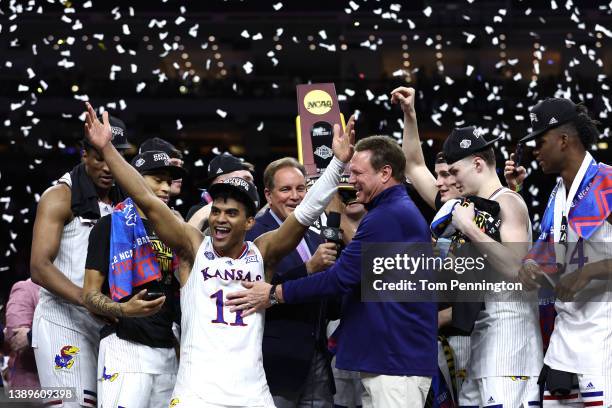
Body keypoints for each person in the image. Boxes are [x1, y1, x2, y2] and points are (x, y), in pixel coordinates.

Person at [82, 102, 355, 407]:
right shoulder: (192, 248)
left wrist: (336, 166)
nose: (221, 219)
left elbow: (305, 213)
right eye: (217, 211)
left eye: (232, 213)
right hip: (196, 395)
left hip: (252, 395)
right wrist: (107, 149)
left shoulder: (262, 253)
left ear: (249, 222)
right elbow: (146, 199)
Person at [227, 135, 438, 408]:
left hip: (394, 358)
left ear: (385, 173)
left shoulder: (390, 214)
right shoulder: (391, 211)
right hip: (384, 355)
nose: (351, 181)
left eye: (358, 173)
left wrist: (275, 293)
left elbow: (341, 278)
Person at [434, 125, 543, 407]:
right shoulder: (479, 208)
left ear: (478, 164)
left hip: (511, 347)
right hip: (483, 344)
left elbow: (515, 268)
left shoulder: (508, 202)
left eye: (455, 171)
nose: (452, 180)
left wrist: (469, 228)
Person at [516, 98, 612, 407]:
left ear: (563, 140)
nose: (535, 151)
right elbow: (545, 251)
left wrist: (590, 271)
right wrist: (530, 266)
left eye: (540, 142)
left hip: (603, 339)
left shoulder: (606, 181)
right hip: (563, 341)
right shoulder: (558, 194)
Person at [30, 115, 130, 408]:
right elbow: (39, 266)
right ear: (85, 153)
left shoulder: (124, 198)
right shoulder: (60, 195)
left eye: (114, 157)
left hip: (108, 323)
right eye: (99, 157)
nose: (107, 167)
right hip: (63, 319)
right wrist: (89, 300)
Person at [82, 150, 186, 408]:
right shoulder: (108, 226)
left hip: (167, 349)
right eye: (157, 179)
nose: (165, 188)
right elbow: (90, 294)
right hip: (124, 346)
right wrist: (123, 309)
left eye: (168, 181)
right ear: (134, 179)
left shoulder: (175, 229)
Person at [246, 157, 339, 407]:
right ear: (268, 194)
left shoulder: (315, 236)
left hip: (317, 358)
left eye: (301, 188)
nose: (295, 196)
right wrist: (308, 269)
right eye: (286, 189)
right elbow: (255, 292)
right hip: (276, 364)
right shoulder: (253, 235)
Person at [186, 153, 254, 231]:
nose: (253, 186)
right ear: (222, 183)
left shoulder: (248, 213)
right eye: (246, 179)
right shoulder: (201, 213)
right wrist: (199, 217)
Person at [5, 278, 40, 388]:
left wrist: (31, 335)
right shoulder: (26, 288)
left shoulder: (77, 291)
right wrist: (33, 337)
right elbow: (16, 339)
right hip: (32, 388)